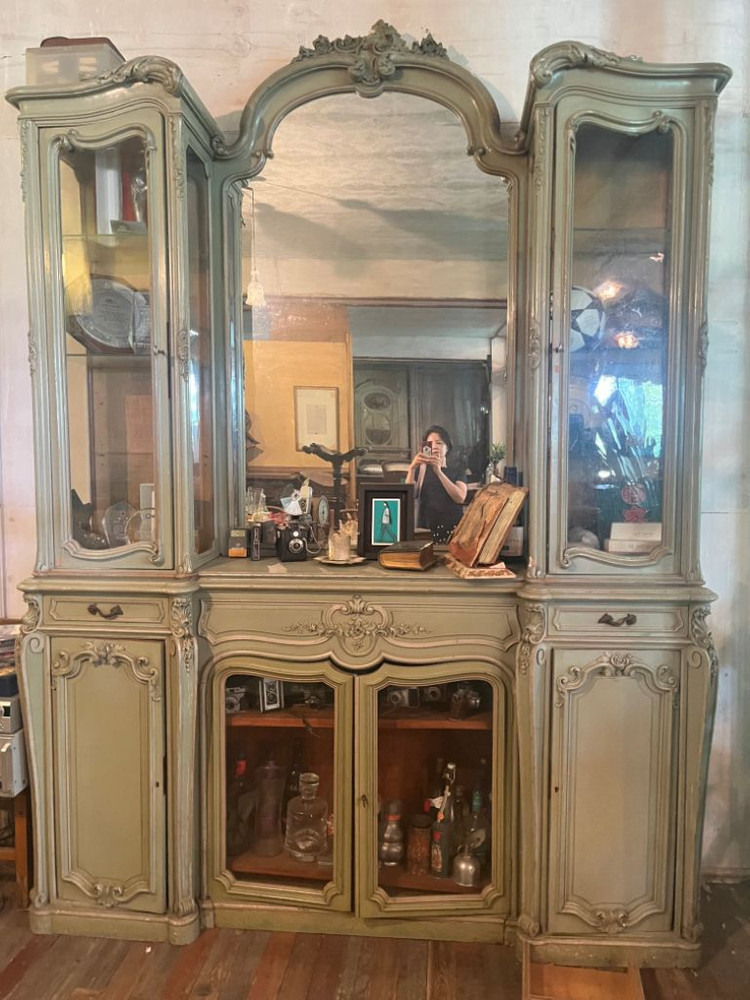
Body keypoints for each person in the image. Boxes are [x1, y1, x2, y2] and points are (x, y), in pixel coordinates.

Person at [405, 425, 468, 543]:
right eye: (430, 443)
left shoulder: (457, 469)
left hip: (451, 527)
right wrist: (412, 468)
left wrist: (439, 472)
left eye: (439, 443)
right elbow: (409, 496)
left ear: (447, 447)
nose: (434, 446)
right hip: (426, 528)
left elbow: (460, 497)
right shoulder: (421, 469)